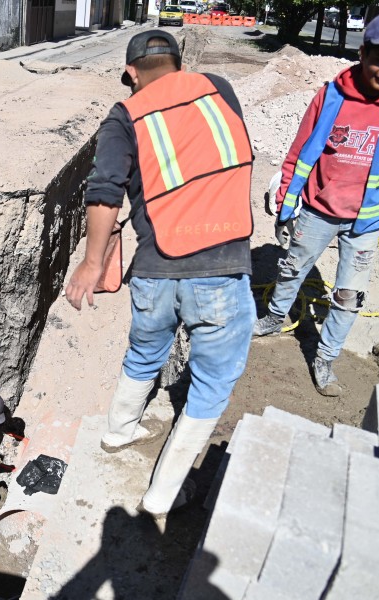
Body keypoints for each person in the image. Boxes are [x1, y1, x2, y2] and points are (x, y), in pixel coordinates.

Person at [65, 30, 255, 529]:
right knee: (212, 383)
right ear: (178, 61)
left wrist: (92, 262)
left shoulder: (124, 116)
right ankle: (163, 495)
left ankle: (118, 431)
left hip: (154, 270)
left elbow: (105, 192)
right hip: (220, 266)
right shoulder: (218, 88)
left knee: (144, 351)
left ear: (130, 73)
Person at [254, 10, 379, 396]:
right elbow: (299, 150)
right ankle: (275, 317)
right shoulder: (331, 96)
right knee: (293, 268)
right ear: (362, 53)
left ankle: (326, 357)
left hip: (365, 223)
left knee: (349, 295)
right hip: (317, 210)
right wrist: (285, 202)